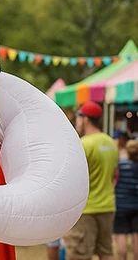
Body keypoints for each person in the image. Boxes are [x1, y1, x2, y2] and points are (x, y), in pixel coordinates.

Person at [64, 101, 119, 260]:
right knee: (106, 253)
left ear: (85, 120)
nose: (77, 122)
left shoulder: (84, 145)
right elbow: (114, 176)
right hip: (107, 206)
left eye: (79, 118)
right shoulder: (111, 143)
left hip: (86, 210)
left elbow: (72, 178)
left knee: (79, 255)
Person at [114, 139, 138, 260]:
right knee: (136, 237)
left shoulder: (120, 165)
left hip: (121, 205)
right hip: (136, 206)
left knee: (121, 235)